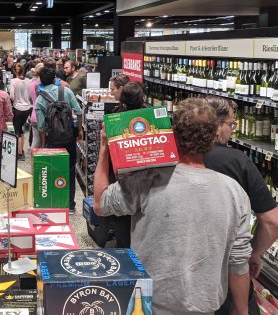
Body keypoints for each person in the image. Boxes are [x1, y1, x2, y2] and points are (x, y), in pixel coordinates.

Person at [94, 98, 252, 315]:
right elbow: (239, 263)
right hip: (204, 309)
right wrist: (241, 310)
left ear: (172, 133)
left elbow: (100, 204)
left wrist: (104, 150)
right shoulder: (235, 192)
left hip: (148, 305)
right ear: (214, 136)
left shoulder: (148, 179)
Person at [202, 97, 278, 315]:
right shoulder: (237, 162)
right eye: (231, 124)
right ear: (216, 125)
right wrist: (254, 253)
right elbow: (274, 222)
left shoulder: (179, 156)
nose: (232, 130)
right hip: (230, 271)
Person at [102, 82, 146, 248]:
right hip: (144, 176)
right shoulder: (148, 118)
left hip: (120, 176)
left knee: (121, 215)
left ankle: (123, 250)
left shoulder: (115, 117)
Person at [35, 66, 83, 214]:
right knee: (70, 170)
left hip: (51, 140)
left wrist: (43, 145)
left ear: (41, 81)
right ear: (55, 78)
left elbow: (42, 127)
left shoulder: (40, 100)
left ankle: (54, 201)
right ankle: (70, 205)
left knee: (52, 170)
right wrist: (80, 130)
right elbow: (79, 111)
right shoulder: (66, 91)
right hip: (68, 138)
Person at [8, 62, 33, 160]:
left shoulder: (13, 81)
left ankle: (19, 153)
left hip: (17, 108)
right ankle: (21, 149)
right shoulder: (29, 81)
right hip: (27, 108)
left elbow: (12, 96)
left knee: (17, 130)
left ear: (14, 71)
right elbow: (31, 95)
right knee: (21, 130)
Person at [27, 63, 44, 150]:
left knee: (36, 140)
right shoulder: (42, 85)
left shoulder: (31, 84)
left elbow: (30, 99)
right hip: (41, 115)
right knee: (42, 142)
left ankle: (33, 160)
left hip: (33, 114)